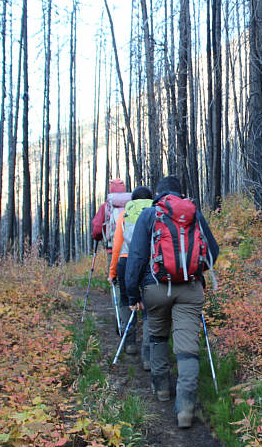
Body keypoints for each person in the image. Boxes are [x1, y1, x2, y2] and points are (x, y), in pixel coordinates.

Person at [125, 176, 219, 428]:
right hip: (190, 288)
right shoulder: (193, 214)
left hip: (155, 288)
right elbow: (213, 252)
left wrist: (133, 294)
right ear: (180, 193)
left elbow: (135, 257)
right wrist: (195, 272)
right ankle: (186, 408)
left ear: (158, 193)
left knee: (157, 335)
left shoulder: (148, 215)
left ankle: (162, 389)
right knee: (187, 347)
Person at [108, 186, 154, 364]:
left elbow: (117, 247)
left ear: (132, 200)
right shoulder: (156, 212)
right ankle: (148, 356)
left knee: (127, 301)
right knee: (150, 309)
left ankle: (130, 342)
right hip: (151, 263)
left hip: (127, 261)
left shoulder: (124, 215)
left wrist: (113, 272)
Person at [91, 178, 130, 334]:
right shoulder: (132, 205)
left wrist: (98, 237)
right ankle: (133, 315)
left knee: (117, 284)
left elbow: (96, 229)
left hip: (112, 251)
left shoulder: (106, 207)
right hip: (132, 250)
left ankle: (121, 320)